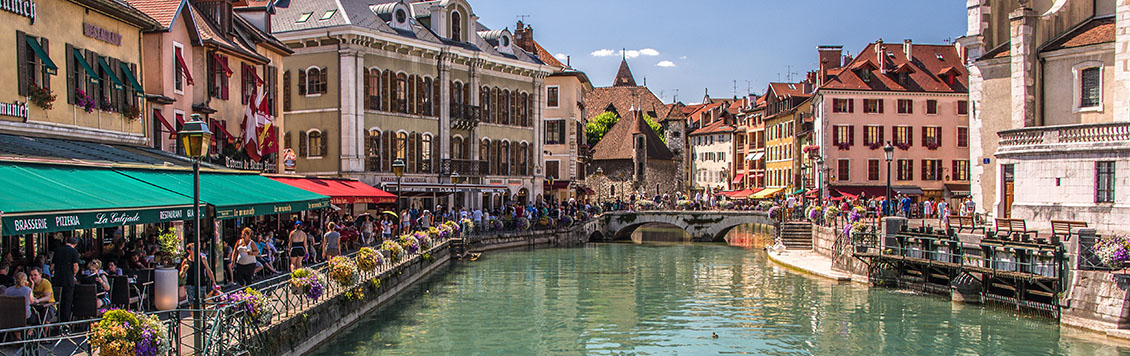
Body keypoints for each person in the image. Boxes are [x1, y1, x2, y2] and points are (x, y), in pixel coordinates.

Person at [52, 236, 79, 322]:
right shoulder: (74, 251)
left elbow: (51, 267)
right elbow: (75, 267)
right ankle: (65, 322)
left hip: (57, 279)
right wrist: (73, 275)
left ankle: (58, 319)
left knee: (58, 299)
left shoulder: (57, 250)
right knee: (67, 301)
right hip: (68, 279)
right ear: (74, 244)